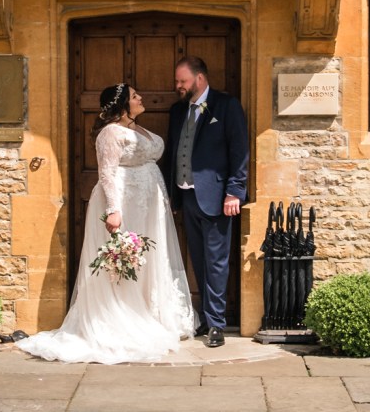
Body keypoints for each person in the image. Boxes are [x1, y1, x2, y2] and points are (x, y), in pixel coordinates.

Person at [17, 83, 196, 364]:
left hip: (147, 203)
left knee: (148, 256)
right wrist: (113, 210)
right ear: (123, 104)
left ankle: (150, 312)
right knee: (126, 258)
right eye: (135, 96)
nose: (140, 98)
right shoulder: (110, 133)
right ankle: (121, 314)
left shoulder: (139, 129)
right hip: (124, 201)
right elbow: (108, 173)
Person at [165, 56, 249, 349]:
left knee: (217, 262)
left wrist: (234, 191)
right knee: (198, 260)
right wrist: (170, 195)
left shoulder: (226, 106)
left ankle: (216, 324)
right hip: (187, 196)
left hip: (217, 198)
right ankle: (204, 317)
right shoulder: (177, 112)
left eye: (182, 81)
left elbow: (239, 151)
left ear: (199, 79)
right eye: (178, 81)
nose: (178, 86)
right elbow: (173, 154)